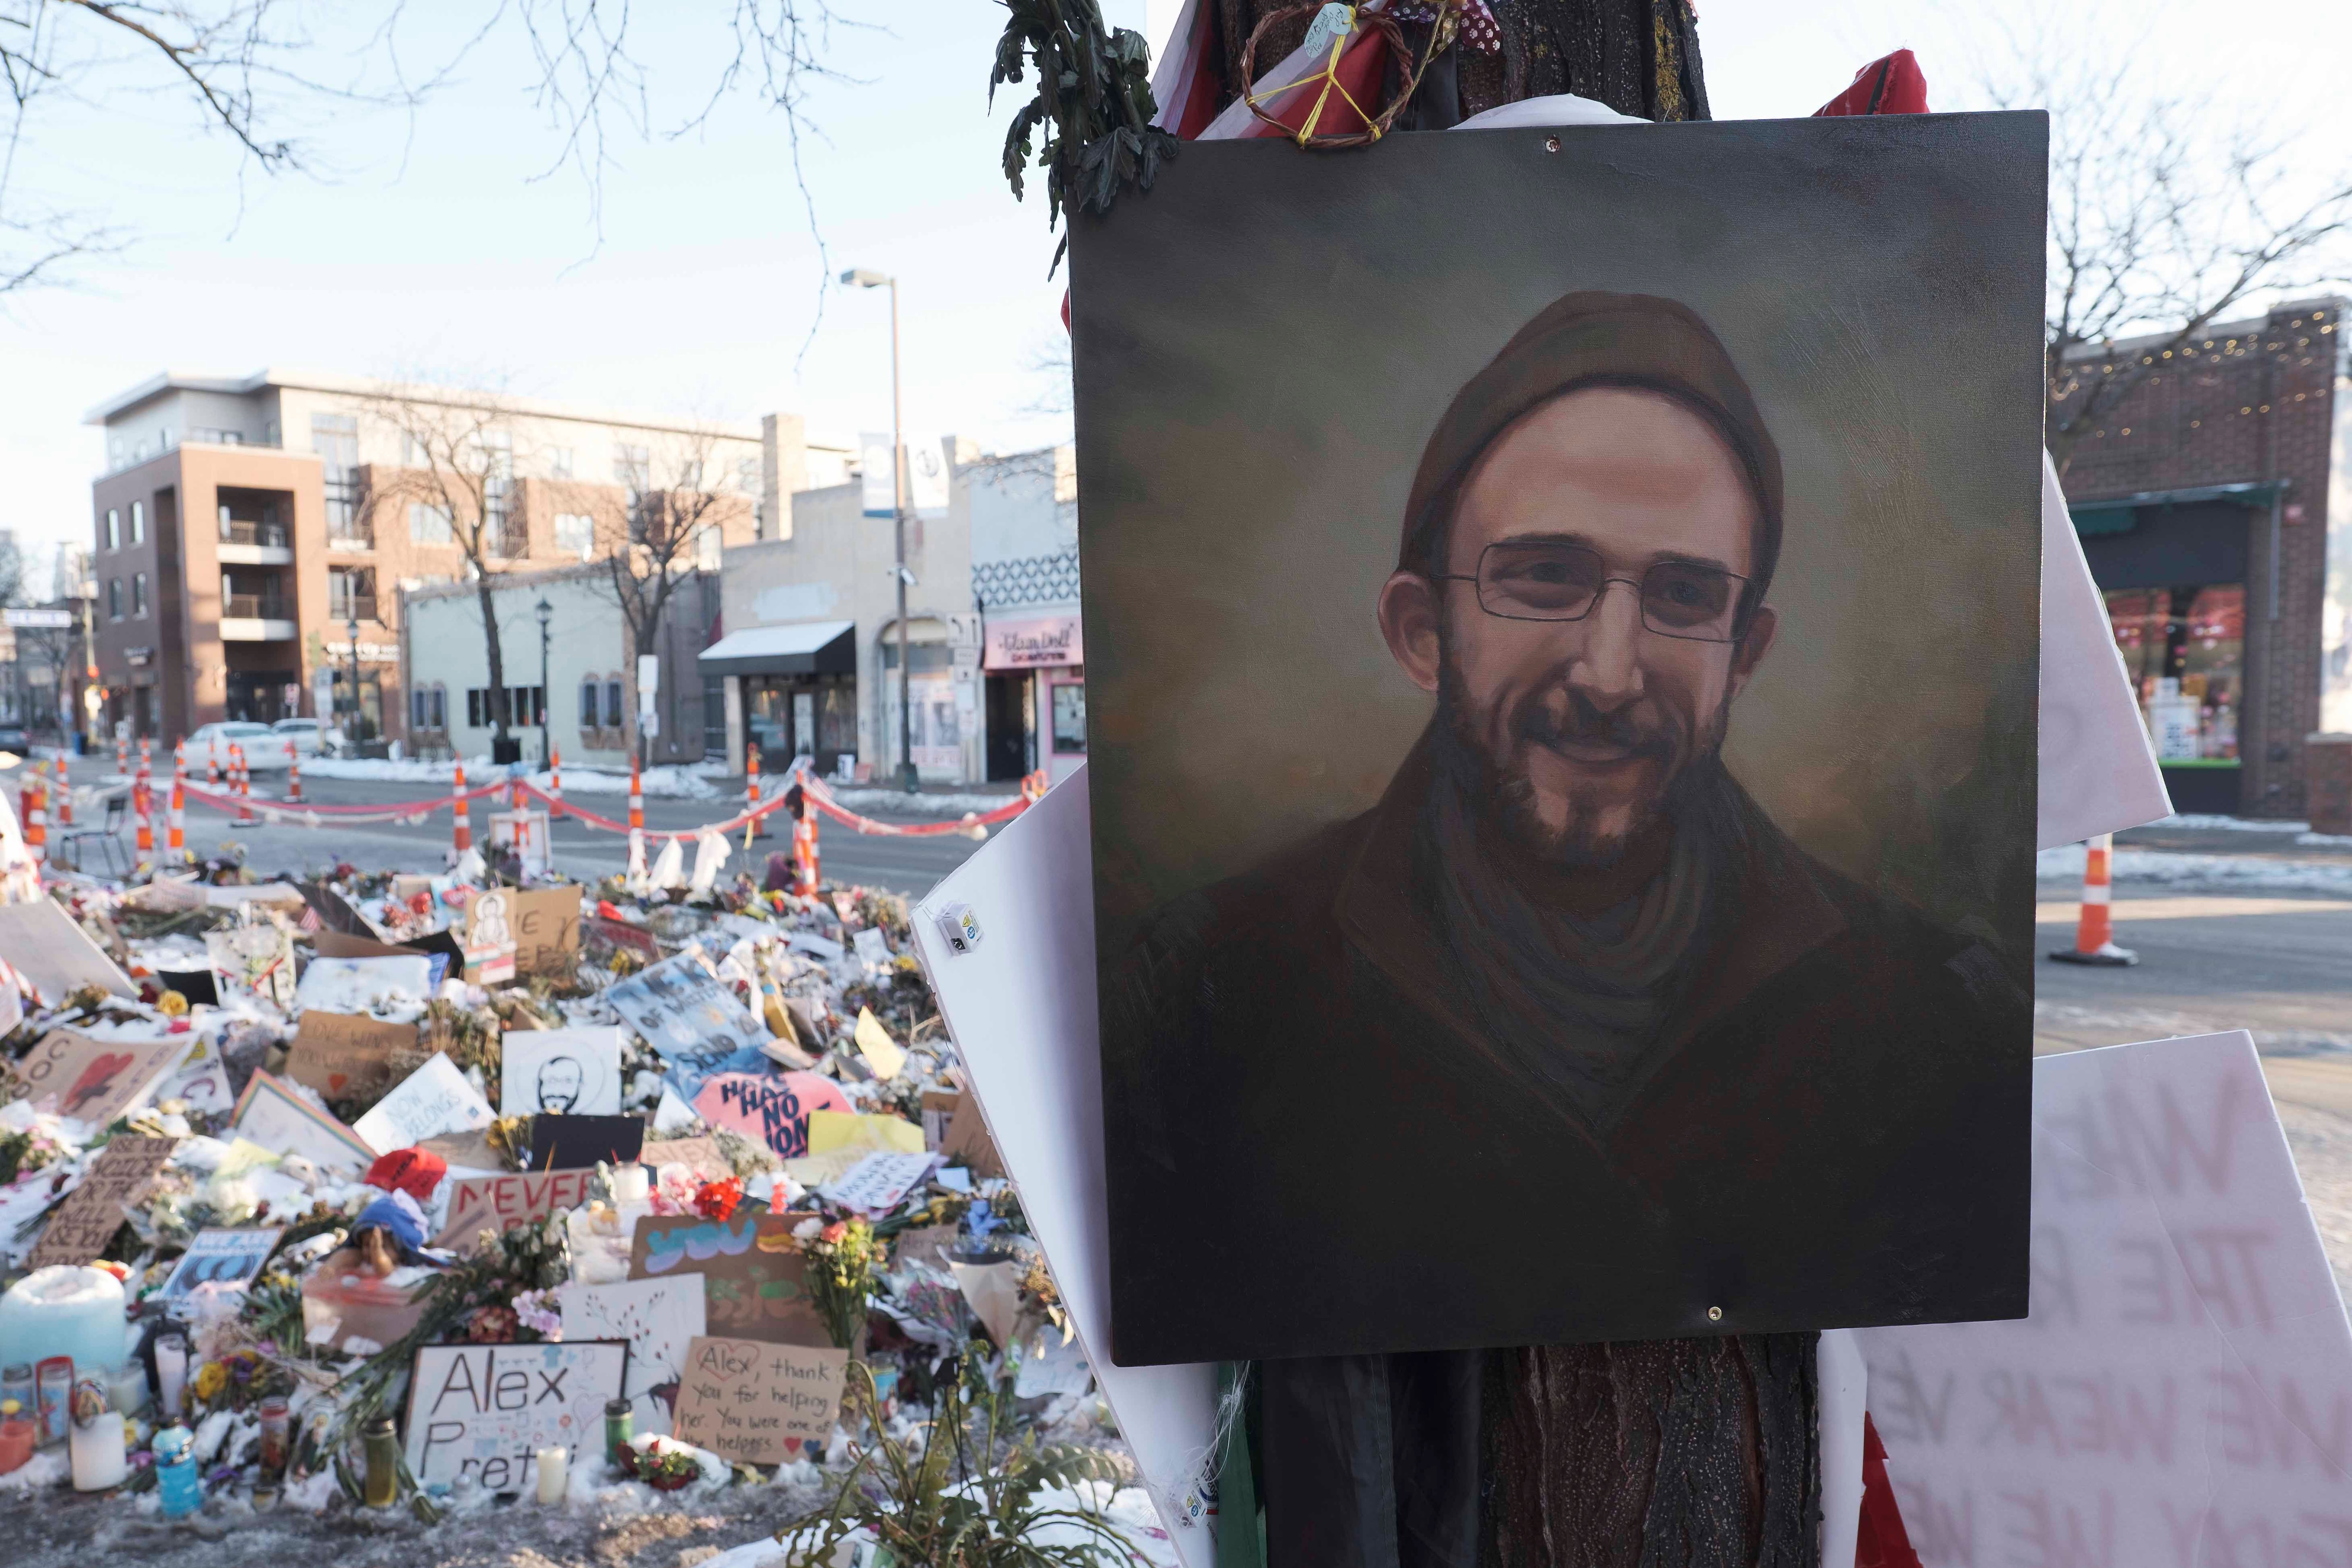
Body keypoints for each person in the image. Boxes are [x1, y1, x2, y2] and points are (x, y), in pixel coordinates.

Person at [1101, 292, 2031, 1560]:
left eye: (1684, 594)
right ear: (1422, 629)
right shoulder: (1210, 990)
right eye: (1545, 576)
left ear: (1744, 649)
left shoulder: (1924, 1013)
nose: (1608, 669)